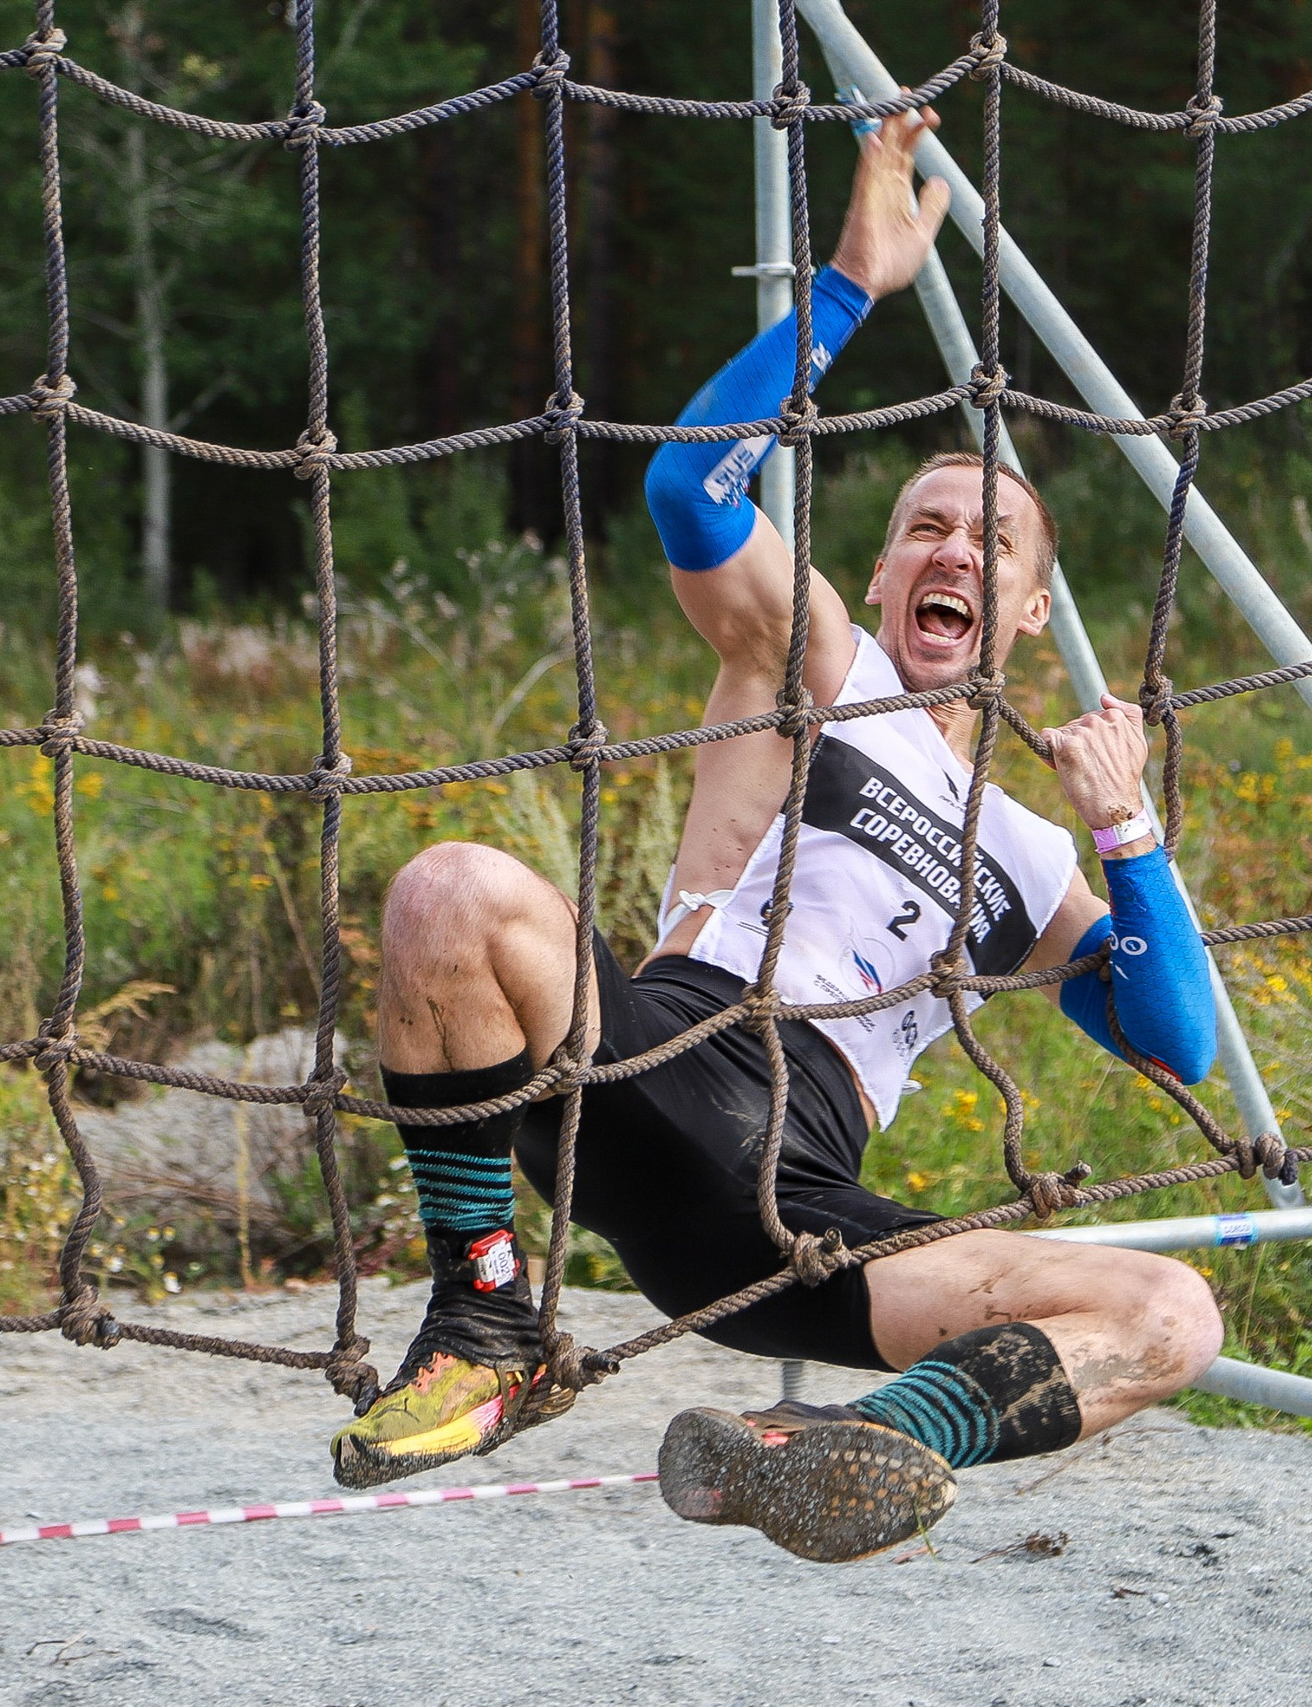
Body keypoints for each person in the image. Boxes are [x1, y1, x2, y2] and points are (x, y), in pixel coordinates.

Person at [329, 101, 1225, 1564]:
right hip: (652, 1071)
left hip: (797, 1212)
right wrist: (849, 288)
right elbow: (689, 484)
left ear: (1030, 611)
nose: (955, 549)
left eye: (990, 541)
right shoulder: (818, 673)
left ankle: (846, 1452)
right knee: (447, 893)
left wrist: (1126, 829)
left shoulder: (1034, 857)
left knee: (1166, 1316)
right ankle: (485, 1320)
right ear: (877, 577)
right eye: (927, 528)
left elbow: (1175, 1043)